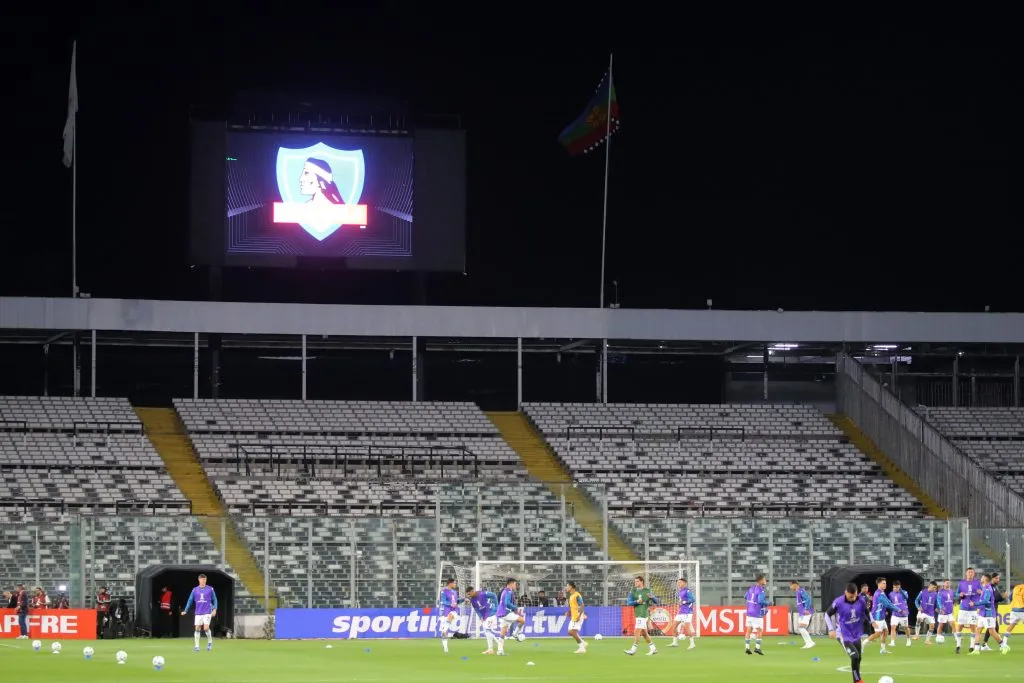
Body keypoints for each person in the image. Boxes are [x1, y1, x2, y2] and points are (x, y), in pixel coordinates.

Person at [825, 582, 869, 683]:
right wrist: (831, 629)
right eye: (850, 596)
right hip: (843, 635)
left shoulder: (861, 600)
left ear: (857, 592)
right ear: (845, 592)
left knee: (859, 658)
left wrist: (873, 622)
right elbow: (827, 614)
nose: (852, 598)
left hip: (856, 634)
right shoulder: (838, 602)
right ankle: (857, 680)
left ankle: (856, 680)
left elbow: (867, 612)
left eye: (854, 596)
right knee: (855, 656)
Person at [966, 573, 1008, 655]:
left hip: (988, 614)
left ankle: (1003, 645)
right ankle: (976, 650)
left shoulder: (988, 589)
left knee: (992, 631)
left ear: (985, 579)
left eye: (982, 577)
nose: (981, 578)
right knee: (978, 630)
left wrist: (975, 604)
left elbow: (986, 601)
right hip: (982, 613)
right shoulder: (985, 588)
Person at [181, 573, 218, 652]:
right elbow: (190, 600)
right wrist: (185, 610)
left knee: (206, 628)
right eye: (202, 580)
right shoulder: (195, 590)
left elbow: (215, 599)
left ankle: (210, 643)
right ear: (199, 580)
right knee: (197, 628)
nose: (204, 581)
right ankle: (197, 646)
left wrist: (214, 609)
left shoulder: (210, 589)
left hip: (207, 611)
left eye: (205, 580)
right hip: (198, 612)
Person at [624, 575, 658, 656]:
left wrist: (652, 597)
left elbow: (656, 601)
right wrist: (636, 602)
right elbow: (628, 603)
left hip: (643, 614)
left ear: (642, 582)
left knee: (637, 631)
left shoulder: (647, 590)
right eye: (635, 581)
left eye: (637, 581)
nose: (635, 583)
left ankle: (633, 650)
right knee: (644, 633)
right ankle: (653, 649)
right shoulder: (633, 591)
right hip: (638, 614)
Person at [954, 567, 982, 655]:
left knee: (973, 627)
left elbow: (983, 592)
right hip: (963, 607)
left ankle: (971, 646)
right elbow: (956, 594)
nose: (970, 574)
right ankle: (958, 646)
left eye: (972, 572)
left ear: (974, 574)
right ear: (966, 573)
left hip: (973, 608)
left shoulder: (977, 583)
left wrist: (980, 592)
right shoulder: (962, 583)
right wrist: (960, 594)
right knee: (960, 626)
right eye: (969, 572)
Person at [866, 577, 897, 654]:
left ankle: (882, 650)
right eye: (883, 583)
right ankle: (862, 645)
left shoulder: (882, 592)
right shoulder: (878, 593)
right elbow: (887, 604)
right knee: (877, 634)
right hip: (878, 617)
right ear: (879, 584)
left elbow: (884, 603)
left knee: (886, 632)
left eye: (885, 583)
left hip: (881, 616)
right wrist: (898, 609)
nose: (885, 584)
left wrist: (885, 610)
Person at [466, 587, 499, 655]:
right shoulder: (472, 600)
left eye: (469, 594)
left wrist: (496, 607)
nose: (469, 596)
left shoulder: (482, 593)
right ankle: (493, 647)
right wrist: (480, 616)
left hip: (490, 613)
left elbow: (493, 595)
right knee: (487, 632)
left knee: (487, 631)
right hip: (484, 616)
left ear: (472, 591)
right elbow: (476, 610)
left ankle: (494, 646)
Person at [495, 578, 524, 656]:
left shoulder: (505, 591)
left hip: (502, 613)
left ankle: (500, 650)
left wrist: (513, 609)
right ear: (511, 583)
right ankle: (515, 634)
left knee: (503, 632)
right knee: (522, 620)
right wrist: (515, 608)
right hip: (506, 613)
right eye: (515, 584)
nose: (516, 585)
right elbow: (507, 603)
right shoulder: (508, 591)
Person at [743, 574, 769, 656]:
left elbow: (745, 596)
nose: (765, 581)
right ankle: (757, 648)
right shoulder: (761, 590)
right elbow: (760, 601)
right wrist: (768, 603)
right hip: (756, 613)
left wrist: (751, 603)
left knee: (749, 630)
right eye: (764, 580)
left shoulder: (751, 588)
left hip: (749, 612)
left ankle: (747, 648)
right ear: (760, 581)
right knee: (759, 630)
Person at [670, 577, 697, 650]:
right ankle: (675, 642)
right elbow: (681, 601)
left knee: (687, 628)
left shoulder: (687, 591)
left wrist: (685, 602)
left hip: (687, 612)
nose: (678, 584)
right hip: (681, 612)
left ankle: (692, 644)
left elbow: (693, 599)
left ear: (685, 583)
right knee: (674, 626)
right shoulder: (680, 591)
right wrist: (681, 603)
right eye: (678, 582)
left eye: (680, 582)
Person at [982, 572, 1005, 650]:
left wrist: (1001, 597)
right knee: (993, 627)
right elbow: (993, 598)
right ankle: (1001, 645)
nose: (998, 580)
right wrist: (1002, 597)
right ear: (992, 579)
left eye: (998, 578)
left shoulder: (994, 587)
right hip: (990, 610)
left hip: (993, 610)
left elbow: (995, 598)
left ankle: (983, 645)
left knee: (991, 628)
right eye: (996, 578)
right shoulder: (991, 587)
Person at [791, 579, 814, 649]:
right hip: (802, 613)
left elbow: (808, 599)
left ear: (795, 585)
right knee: (801, 628)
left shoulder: (801, 591)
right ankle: (807, 643)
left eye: (791, 585)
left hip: (806, 612)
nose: (790, 587)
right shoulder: (798, 591)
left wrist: (806, 609)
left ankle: (810, 642)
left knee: (801, 628)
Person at [887, 580, 911, 648]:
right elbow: (890, 603)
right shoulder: (891, 594)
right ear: (893, 587)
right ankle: (892, 642)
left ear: (900, 587)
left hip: (904, 614)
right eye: (895, 587)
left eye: (897, 587)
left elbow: (906, 597)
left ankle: (908, 640)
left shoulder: (904, 592)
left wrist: (901, 591)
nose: (896, 589)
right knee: (893, 627)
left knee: (906, 628)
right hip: (895, 614)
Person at [438, 577, 459, 654]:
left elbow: (456, 601)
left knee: (451, 615)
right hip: (445, 611)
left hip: (453, 611)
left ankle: (445, 629)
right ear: (450, 583)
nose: (455, 584)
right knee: (444, 633)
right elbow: (443, 601)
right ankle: (446, 648)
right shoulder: (444, 591)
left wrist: (463, 599)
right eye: (454, 583)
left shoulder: (455, 592)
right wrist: (450, 604)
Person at [565, 582, 587, 654]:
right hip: (574, 616)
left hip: (577, 615)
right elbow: (573, 606)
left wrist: (579, 615)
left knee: (572, 631)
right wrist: (568, 612)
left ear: (571, 587)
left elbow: (582, 605)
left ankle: (582, 647)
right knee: (570, 632)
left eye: (567, 586)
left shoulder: (577, 595)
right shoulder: (571, 596)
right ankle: (583, 643)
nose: (566, 587)